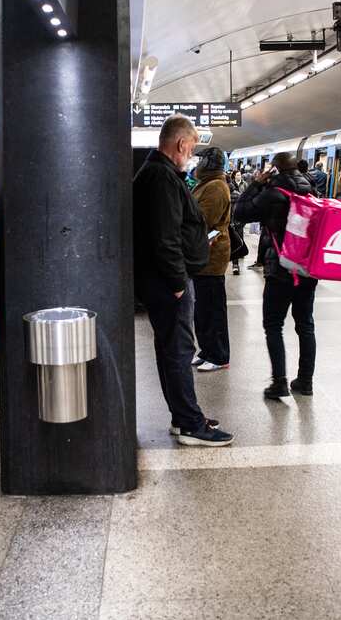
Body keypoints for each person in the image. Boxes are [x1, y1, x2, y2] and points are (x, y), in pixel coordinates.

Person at [133, 115, 232, 446]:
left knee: (171, 349)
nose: (191, 155)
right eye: (190, 148)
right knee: (178, 350)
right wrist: (178, 282)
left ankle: (183, 416)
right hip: (167, 283)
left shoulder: (158, 173)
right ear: (180, 143)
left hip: (161, 280)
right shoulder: (161, 177)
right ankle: (191, 423)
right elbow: (165, 237)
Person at [233, 152, 321, 398]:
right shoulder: (311, 191)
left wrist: (255, 183)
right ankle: (305, 381)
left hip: (281, 268)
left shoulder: (272, 194)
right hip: (306, 268)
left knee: (273, 325)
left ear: (274, 169)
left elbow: (240, 212)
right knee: (305, 324)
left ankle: (279, 382)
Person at [191, 147, 231, 371]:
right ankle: (207, 351)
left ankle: (219, 356)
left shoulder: (215, 186)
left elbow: (204, 220)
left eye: (200, 161)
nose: (197, 164)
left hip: (212, 257)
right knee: (203, 309)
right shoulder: (207, 183)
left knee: (213, 309)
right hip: (203, 255)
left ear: (208, 163)